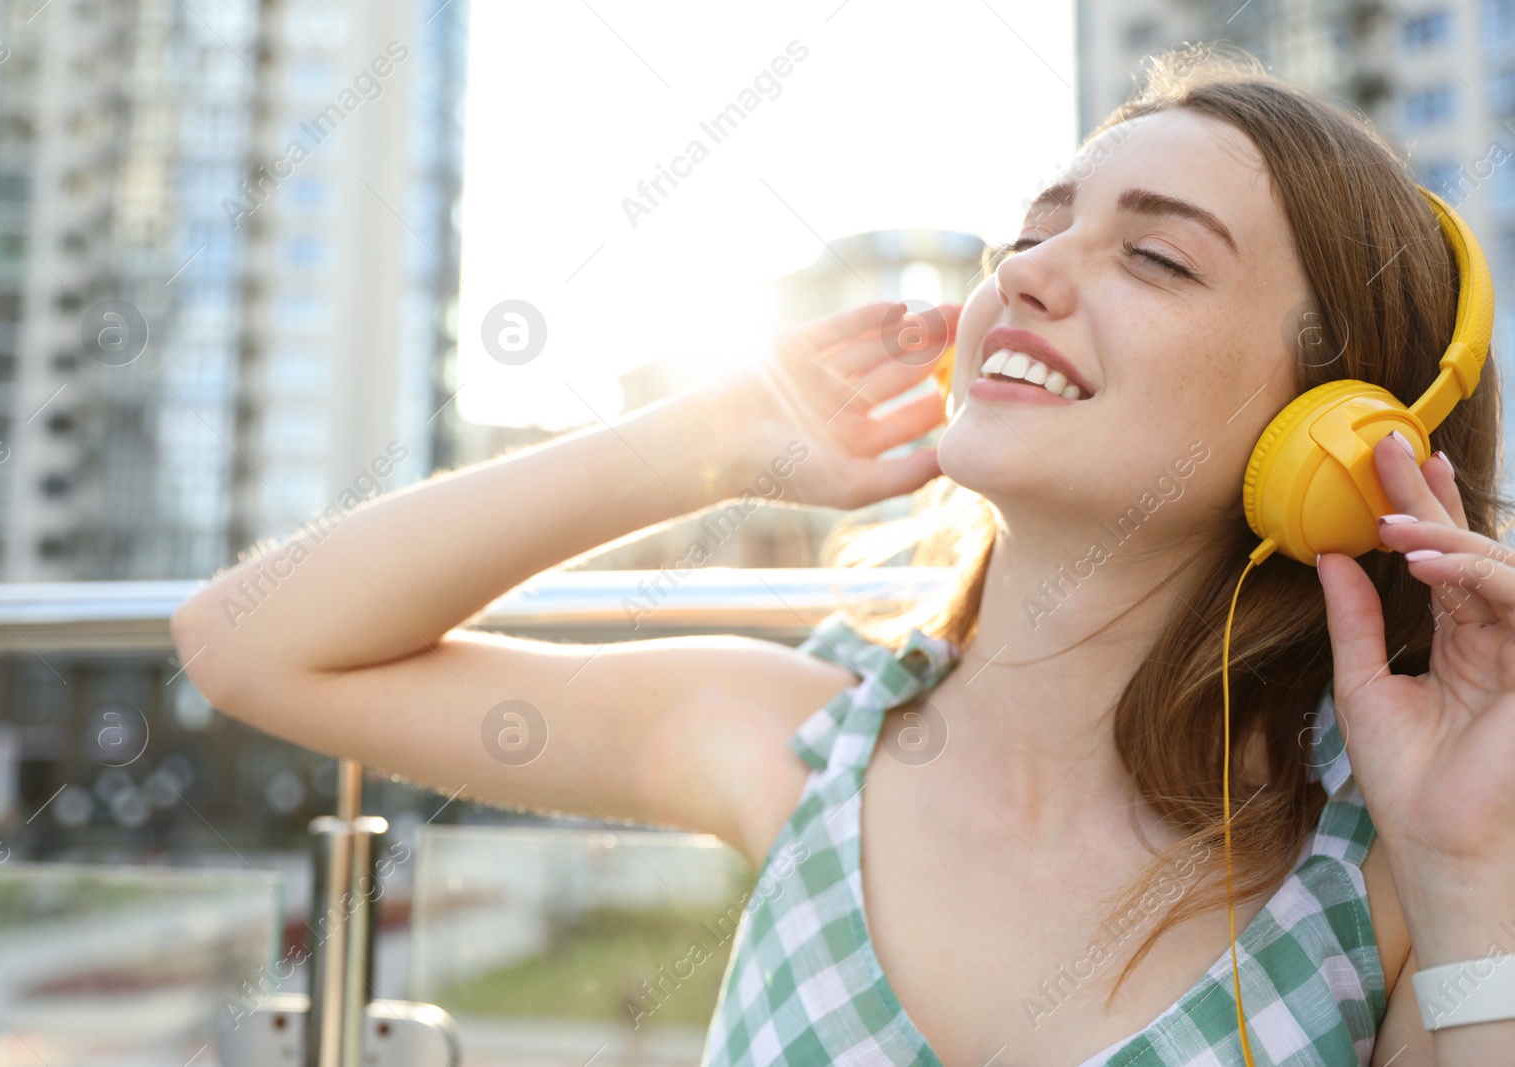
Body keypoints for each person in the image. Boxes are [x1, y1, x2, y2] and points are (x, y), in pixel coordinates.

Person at [171, 44, 1515, 1066]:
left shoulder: (1397, 860)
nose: (1030, 275)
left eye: (1154, 257)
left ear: (1341, 430)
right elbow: (247, 641)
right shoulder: (803, 739)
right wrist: (698, 442)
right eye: (1034, 232)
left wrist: (1468, 883)